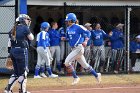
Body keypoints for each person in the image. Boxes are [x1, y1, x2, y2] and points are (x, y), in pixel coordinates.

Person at [64, 13, 101, 85]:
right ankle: (97, 75)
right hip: (74, 49)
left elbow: (88, 32)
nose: (67, 22)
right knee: (85, 65)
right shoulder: (68, 29)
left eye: (69, 20)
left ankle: (75, 77)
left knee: (67, 62)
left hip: (79, 48)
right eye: (67, 21)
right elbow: (69, 38)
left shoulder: (78, 27)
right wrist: (64, 38)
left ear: (73, 20)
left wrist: (86, 41)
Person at [4, 14, 34, 93]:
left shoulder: (12, 29)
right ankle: (22, 91)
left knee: (17, 73)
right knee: (24, 72)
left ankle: (8, 90)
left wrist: (10, 54)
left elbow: (9, 44)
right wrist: (27, 30)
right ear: (22, 20)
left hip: (13, 51)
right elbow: (32, 38)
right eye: (26, 19)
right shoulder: (24, 28)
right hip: (21, 51)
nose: (28, 21)